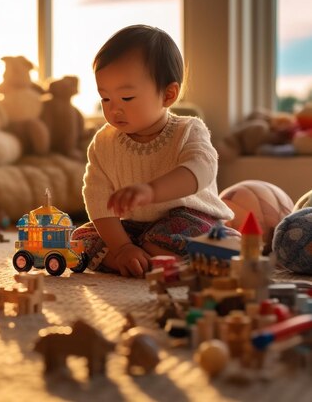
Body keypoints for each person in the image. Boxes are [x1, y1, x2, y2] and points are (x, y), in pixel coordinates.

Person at [73, 24, 236, 278]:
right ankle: (137, 258)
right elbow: (96, 198)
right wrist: (123, 246)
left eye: (126, 98)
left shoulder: (188, 130)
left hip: (189, 220)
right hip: (135, 228)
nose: (114, 109)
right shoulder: (104, 142)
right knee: (81, 239)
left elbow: (201, 169)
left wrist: (152, 190)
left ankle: (164, 257)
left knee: (169, 236)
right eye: (105, 98)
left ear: (168, 95)